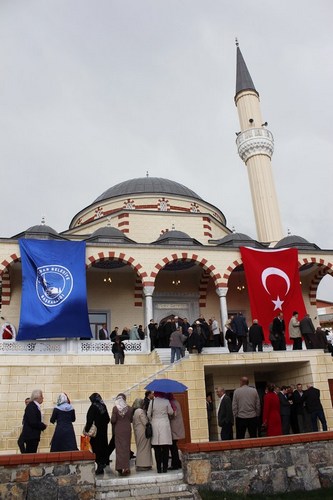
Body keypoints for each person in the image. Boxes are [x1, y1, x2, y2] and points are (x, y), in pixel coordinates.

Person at [147, 391, 174, 473]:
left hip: (155, 424)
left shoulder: (152, 401)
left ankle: (159, 468)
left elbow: (148, 414)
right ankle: (165, 468)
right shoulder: (166, 401)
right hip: (164, 424)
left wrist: (152, 420)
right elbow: (171, 412)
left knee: (157, 448)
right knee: (165, 448)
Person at [85, 393, 110, 475]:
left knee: (96, 447)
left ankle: (99, 465)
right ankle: (103, 462)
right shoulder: (103, 406)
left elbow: (89, 420)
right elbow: (107, 419)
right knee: (103, 446)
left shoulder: (93, 407)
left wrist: (86, 430)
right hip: (103, 431)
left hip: (96, 432)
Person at [111, 393, 134, 476]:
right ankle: (126, 467)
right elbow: (131, 420)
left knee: (119, 449)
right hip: (127, 429)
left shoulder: (115, 408)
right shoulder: (130, 409)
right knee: (126, 448)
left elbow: (113, 420)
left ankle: (119, 467)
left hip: (118, 430)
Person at [132, 398, 152, 471]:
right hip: (143, 431)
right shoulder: (140, 411)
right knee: (144, 448)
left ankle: (141, 463)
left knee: (140, 447)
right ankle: (143, 464)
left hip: (138, 431)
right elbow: (145, 422)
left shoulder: (135, 411)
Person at [168, 394, 185, 470]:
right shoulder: (176, 402)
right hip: (177, 426)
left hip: (174, 426)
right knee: (174, 445)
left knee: (173, 446)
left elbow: (173, 414)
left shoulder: (172, 403)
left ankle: (175, 464)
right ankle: (177, 462)